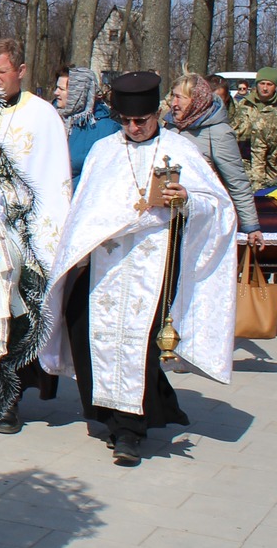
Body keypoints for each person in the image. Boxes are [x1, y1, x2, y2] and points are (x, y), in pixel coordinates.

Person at [40, 71, 238, 466]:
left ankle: (130, 432)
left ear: (157, 114)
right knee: (85, 328)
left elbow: (217, 205)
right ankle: (105, 413)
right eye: (127, 121)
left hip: (154, 266)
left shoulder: (180, 148)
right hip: (104, 267)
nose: (134, 128)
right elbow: (84, 209)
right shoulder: (104, 151)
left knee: (138, 343)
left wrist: (185, 200)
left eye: (142, 121)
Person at [0, 37, 72, 434]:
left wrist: (48, 240)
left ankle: (10, 397)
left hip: (24, 235)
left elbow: (54, 179)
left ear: (21, 72)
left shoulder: (43, 117)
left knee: (19, 319)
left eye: (1, 72)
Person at [167, 73, 260, 234]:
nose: (173, 103)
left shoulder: (218, 133)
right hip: (169, 218)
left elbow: (237, 182)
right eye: (172, 97)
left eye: (179, 97)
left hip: (203, 222)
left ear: (196, 100)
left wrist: (251, 226)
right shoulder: (170, 126)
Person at [61, 66, 119, 181]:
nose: (56, 93)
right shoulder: (54, 120)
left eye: (61, 89)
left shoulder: (106, 129)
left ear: (78, 93)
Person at [232, 67, 277, 141]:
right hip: (244, 148)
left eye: (269, 84)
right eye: (262, 83)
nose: (265, 88)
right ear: (257, 84)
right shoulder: (244, 103)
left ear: (275, 86)